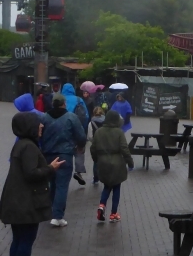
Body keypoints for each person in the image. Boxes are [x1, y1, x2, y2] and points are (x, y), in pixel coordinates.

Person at [0, 112, 62, 256]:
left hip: (16, 199)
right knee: (26, 240)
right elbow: (31, 173)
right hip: (26, 201)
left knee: (18, 240)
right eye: (38, 123)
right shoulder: (30, 147)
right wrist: (50, 168)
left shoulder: (20, 145)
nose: (41, 126)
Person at [40, 92, 86, 227]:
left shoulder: (44, 117)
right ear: (64, 104)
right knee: (62, 186)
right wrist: (79, 146)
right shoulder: (71, 117)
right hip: (65, 155)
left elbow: (39, 135)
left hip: (48, 155)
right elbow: (81, 136)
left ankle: (49, 211)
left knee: (52, 184)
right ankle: (57, 216)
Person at [90, 110, 133, 222]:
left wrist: (96, 160)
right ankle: (113, 214)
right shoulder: (119, 132)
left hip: (103, 162)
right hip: (117, 163)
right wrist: (130, 162)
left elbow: (93, 148)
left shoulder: (99, 132)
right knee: (116, 187)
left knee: (107, 186)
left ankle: (102, 205)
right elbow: (124, 148)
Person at [88, 106, 106, 185]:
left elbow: (90, 136)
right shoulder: (106, 122)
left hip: (96, 145)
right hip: (106, 144)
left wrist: (94, 141)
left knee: (96, 162)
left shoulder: (91, 123)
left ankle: (96, 179)